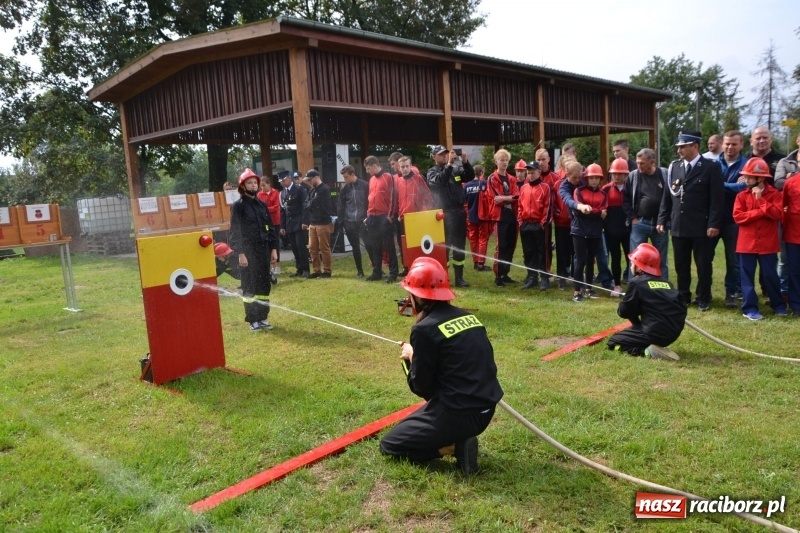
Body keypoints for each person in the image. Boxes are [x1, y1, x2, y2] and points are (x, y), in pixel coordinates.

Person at [379, 257, 503, 475]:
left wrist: (411, 359)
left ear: (416, 296)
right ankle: (456, 440)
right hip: (485, 409)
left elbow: (422, 388)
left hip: (458, 413)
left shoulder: (424, 330)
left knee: (390, 445)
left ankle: (455, 447)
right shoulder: (469, 318)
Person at [667, 130, 724, 311]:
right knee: (681, 265)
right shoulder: (675, 167)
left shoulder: (710, 167)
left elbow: (717, 199)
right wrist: (663, 218)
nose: (679, 150)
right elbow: (668, 197)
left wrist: (714, 223)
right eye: (679, 147)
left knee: (703, 265)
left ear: (695, 146)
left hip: (701, 226)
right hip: (679, 225)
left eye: (683, 146)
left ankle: (703, 297)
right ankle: (683, 296)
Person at [607, 243, 686, 360]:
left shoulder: (637, 283)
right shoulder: (667, 283)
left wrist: (626, 300)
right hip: (672, 333)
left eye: (632, 263)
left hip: (654, 332)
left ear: (639, 267)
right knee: (635, 333)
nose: (630, 266)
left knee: (614, 342)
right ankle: (653, 345)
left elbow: (624, 312)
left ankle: (647, 352)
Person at [732, 157, 787, 320]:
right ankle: (750, 309)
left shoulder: (775, 194)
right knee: (746, 277)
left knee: (770, 275)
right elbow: (738, 217)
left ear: (760, 178)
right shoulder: (741, 196)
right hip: (746, 244)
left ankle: (779, 305)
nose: (745, 179)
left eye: (749, 176)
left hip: (768, 244)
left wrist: (760, 200)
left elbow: (778, 215)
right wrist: (761, 212)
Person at [229, 168, 279, 331]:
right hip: (248, 253)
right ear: (242, 186)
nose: (253, 185)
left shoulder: (262, 205)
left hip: (263, 250)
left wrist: (273, 249)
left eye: (254, 183)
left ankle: (263, 317)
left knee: (263, 285)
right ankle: (253, 320)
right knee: (250, 285)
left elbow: (270, 228)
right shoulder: (238, 206)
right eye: (249, 183)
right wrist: (241, 254)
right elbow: (235, 232)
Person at [427, 145, 475, 288]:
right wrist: (448, 165)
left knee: (459, 245)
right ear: (434, 157)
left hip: (459, 212)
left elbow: (470, 176)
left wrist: (465, 162)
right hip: (444, 214)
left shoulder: (455, 169)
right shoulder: (431, 172)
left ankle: (459, 278)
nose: (444, 156)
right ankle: (444, 277)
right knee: (445, 247)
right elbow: (441, 181)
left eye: (446, 154)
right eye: (441, 154)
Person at [623, 148, 670, 281]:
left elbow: (671, 199)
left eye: (642, 163)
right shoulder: (633, 176)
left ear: (652, 162)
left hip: (660, 225)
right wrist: (632, 217)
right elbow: (625, 199)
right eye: (637, 163)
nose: (638, 166)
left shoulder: (664, 174)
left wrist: (665, 220)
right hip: (640, 223)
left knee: (661, 259)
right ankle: (634, 289)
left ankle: (662, 290)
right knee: (636, 260)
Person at [715, 130, 748, 307]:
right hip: (713, 218)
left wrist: (720, 185)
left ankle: (731, 293)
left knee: (733, 260)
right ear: (722, 144)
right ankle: (704, 293)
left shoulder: (746, 164)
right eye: (727, 143)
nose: (730, 147)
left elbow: (744, 188)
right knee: (705, 258)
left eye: (734, 143)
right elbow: (710, 188)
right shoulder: (713, 163)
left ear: (741, 145)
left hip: (734, 220)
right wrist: (733, 186)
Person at [569, 163, 607, 302]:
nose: (594, 180)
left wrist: (590, 211)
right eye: (591, 178)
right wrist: (596, 212)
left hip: (595, 231)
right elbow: (579, 211)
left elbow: (604, 211)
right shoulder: (578, 191)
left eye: (597, 178)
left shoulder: (603, 194)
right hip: (579, 230)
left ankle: (588, 288)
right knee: (580, 260)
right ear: (586, 178)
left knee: (591, 260)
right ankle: (576, 292)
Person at [485, 149, 519, 287]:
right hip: (499, 217)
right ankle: (498, 275)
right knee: (502, 246)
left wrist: (506, 198)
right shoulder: (492, 178)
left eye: (506, 160)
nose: (504, 162)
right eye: (501, 160)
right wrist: (509, 198)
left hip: (513, 217)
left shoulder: (512, 179)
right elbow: (495, 198)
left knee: (511, 246)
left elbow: (517, 196)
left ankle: (506, 273)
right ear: (496, 162)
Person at [365, 155, 400, 283]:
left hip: (384, 216)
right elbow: (370, 197)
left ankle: (393, 273)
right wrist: (368, 214)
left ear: (375, 166)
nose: (367, 172)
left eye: (369, 169)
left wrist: (390, 215)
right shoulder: (371, 180)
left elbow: (393, 196)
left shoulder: (388, 177)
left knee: (389, 246)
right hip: (372, 216)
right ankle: (377, 271)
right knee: (375, 246)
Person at [517, 161, 551, 290]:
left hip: (539, 225)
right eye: (528, 173)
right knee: (529, 252)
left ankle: (544, 278)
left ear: (539, 172)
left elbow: (547, 206)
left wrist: (542, 223)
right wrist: (520, 221)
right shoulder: (524, 188)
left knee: (542, 251)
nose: (530, 175)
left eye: (533, 172)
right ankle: (532, 277)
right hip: (525, 224)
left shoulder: (545, 187)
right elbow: (520, 206)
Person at [396, 155, 434, 273]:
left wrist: (423, 212)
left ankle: (418, 267)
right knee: (404, 244)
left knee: (416, 244)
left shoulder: (418, 179)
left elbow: (428, 196)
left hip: (416, 218)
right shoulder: (399, 181)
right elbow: (398, 199)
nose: (405, 169)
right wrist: (398, 213)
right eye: (403, 167)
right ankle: (406, 267)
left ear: (411, 166)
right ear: (399, 168)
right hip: (403, 218)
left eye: (407, 166)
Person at [338, 164, 371, 278]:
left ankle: (376, 269)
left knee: (369, 245)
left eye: (346, 177)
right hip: (349, 221)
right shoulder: (344, 189)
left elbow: (369, 202)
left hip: (363, 220)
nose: (344, 179)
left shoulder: (364, 185)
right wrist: (342, 222)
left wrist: (369, 216)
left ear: (353, 175)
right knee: (355, 247)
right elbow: (341, 206)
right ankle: (360, 271)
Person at [603, 158, 631, 296]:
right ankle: (617, 285)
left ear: (626, 174)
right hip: (612, 231)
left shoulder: (631, 187)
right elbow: (602, 209)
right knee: (615, 257)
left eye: (620, 173)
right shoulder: (606, 189)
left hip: (628, 230)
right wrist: (606, 225)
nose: (617, 176)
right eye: (614, 173)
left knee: (631, 257)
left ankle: (633, 284)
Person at [302, 169, 335, 278]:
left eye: (310, 179)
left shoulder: (324, 189)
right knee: (312, 248)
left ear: (316, 177)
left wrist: (310, 204)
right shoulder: (312, 190)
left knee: (324, 248)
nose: (309, 182)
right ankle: (316, 270)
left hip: (323, 223)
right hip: (313, 223)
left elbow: (313, 203)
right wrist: (310, 204)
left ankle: (327, 270)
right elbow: (306, 204)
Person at [551, 161, 578, 290]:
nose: (577, 180)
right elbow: (554, 202)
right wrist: (558, 214)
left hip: (577, 224)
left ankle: (574, 274)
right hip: (561, 223)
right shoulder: (558, 185)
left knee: (575, 250)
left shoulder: (580, 184)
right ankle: (562, 276)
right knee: (561, 250)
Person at [280, 172, 310, 278]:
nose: (282, 183)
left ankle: (306, 269)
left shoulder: (299, 189)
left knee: (300, 246)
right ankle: (299, 269)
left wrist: (304, 221)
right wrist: (282, 226)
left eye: (283, 180)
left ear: (289, 178)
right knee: (294, 247)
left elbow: (304, 206)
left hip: (299, 221)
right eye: (281, 181)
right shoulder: (282, 193)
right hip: (289, 223)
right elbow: (283, 210)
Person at [781, 156, 800, 316]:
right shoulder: (791, 183)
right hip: (794, 234)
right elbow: (784, 206)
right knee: (794, 271)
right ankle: (796, 306)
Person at [464, 164, 492, 271]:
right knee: (482, 239)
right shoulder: (484, 184)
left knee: (473, 239)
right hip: (483, 216)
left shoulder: (467, 186)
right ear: (482, 173)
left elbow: (465, 201)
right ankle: (481, 263)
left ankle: (475, 262)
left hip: (471, 216)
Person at [258, 175, 282, 280]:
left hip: (275, 222)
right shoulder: (259, 195)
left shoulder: (276, 193)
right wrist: (267, 209)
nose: (262, 188)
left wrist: (266, 209)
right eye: (261, 186)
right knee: (267, 243)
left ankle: (277, 265)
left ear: (268, 184)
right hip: (265, 223)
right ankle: (271, 266)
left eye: (264, 185)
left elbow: (276, 207)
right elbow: (259, 208)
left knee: (275, 242)